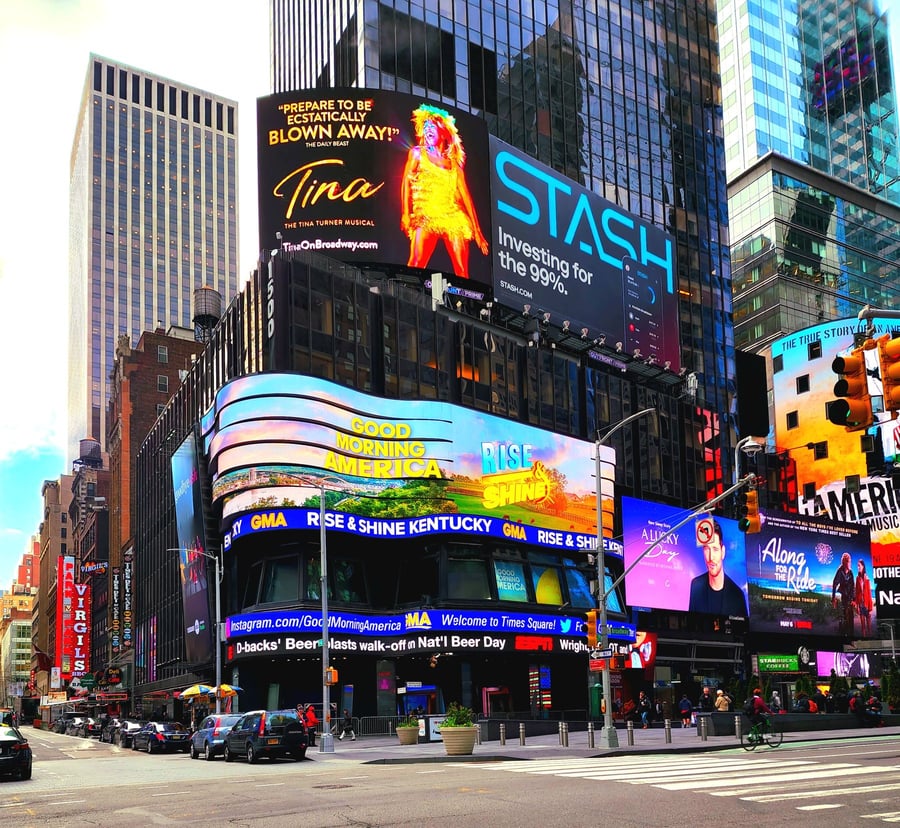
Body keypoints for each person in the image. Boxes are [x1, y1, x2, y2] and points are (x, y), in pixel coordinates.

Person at [400, 104, 489, 279]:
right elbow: (405, 183)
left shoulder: (455, 165)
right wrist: (405, 213)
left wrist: (477, 232)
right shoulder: (417, 154)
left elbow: (466, 197)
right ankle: (404, 291)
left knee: (462, 272)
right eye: (425, 128)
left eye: (432, 127)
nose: (428, 131)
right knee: (416, 263)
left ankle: (463, 300)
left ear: (443, 131)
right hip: (425, 215)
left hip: (451, 216)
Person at [688, 521, 748, 617]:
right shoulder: (696, 586)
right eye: (707, 549)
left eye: (715, 549)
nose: (711, 557)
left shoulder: (737, 595)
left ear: (722, 552)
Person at [832, 552, 856, 636]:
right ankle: (844, 633)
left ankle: (851, 634)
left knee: (851, 616)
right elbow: (834, 584)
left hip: (850, 596)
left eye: (850, 561)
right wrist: (833, 598)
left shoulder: (850, 572)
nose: (850, 563)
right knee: (845, 614)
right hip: (844, 596)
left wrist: (854, 599)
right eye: (848, 561)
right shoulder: (840, 571)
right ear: (845, 562)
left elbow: (853, 586)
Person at [855, 559, 874, 637]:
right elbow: (856, 593)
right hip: (861, 605)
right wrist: (857, 605)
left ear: (863, 566)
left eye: (859, 565)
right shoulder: (857, 578)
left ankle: (871, 643)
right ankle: (864, 639)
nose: (858, 567)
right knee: (863, 627)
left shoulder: (867, 578)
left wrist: (870, 607)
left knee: (869, 627)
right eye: (857, 566)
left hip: (867, 605)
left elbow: (869, 593)